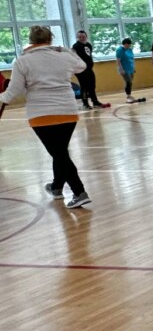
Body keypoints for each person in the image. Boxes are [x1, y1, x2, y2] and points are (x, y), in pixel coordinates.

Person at [0, 26, 91, 207]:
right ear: (50, 39)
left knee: (59, 154)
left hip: (41, 114)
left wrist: (2, 98)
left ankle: (79, 192)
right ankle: (57, 187)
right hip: (68, 111)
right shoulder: (63, 56)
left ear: (30, 39)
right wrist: (65, 50)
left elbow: (13, 91)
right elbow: (82, 65)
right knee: (60, 152)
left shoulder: (22, 61)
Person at [72, 30, 107, 109]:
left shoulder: (88, 45)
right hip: (81, 70)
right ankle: (85, 104)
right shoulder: (76, 46)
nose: (82, 38)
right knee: (84, 86)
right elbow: (74, 58)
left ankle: (95, 102)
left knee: (92, 85)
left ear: (86, 37)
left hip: (89, 69)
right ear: (77, 37)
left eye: (83, 37)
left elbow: (88, 56)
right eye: (80, 37)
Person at [115, 38, 136, 103]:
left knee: (130, 82)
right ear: (125, 44)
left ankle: (129, 95)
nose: (129, 46)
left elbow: (132, 58)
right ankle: (128, 96)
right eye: (128, 44)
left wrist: (134, 68)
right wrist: (121, 69)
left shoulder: (129, 49)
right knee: (128, 82)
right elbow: (118, 61)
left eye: (129, 45)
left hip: (130, 68)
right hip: (124, 69)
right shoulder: (120, 50)